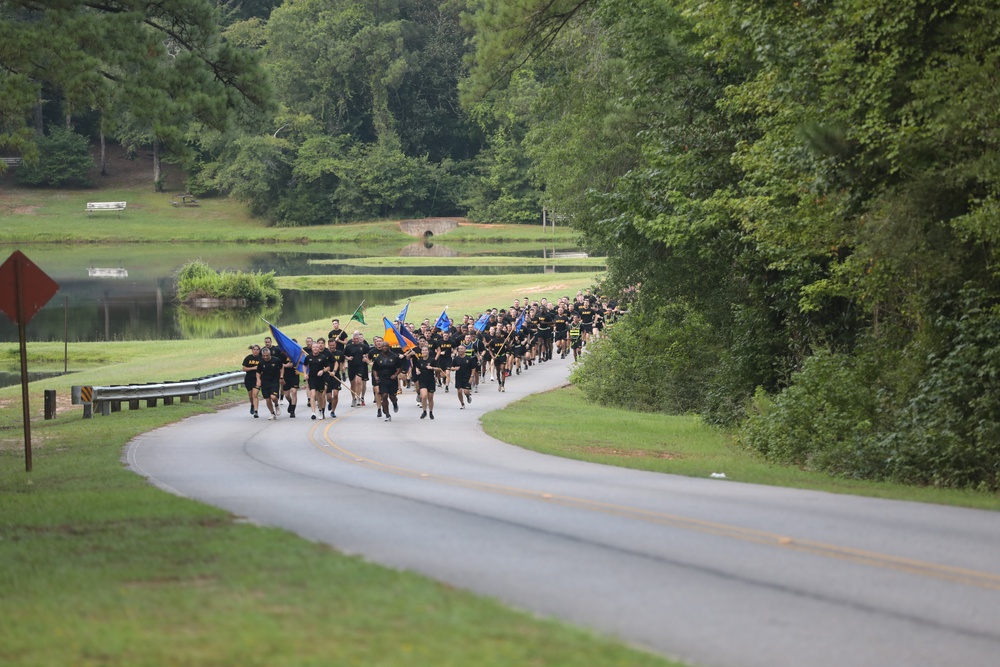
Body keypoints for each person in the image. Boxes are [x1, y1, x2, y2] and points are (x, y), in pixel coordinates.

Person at [371, 338, 402, 421]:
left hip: (392, 379)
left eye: (386, 346)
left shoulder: (394, 356)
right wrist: (376, 377)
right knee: (384, 396)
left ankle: (395, 403)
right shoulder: (378, 358)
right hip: (382, 379)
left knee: (392, 397)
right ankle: (387, 415)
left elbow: (399, 368)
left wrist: (395, 374)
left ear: (389, 347)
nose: (385, 348)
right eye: (383, 346)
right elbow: (374, 369)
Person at [303, 341, 331, 420]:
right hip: (312, 378)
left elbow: (328, 367)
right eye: (314, 347)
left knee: (320, 395)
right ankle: (313, 412)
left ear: (319, 348)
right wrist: (305, 373)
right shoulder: (308, 357)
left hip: (320, 378)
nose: (315, 349)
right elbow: (304, 365)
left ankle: (320, 410)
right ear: (311, 348)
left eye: (316, 347)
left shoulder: (322, 357)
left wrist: (323, 371)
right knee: (313, 394)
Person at [256, 347, 284, 420]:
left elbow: (282, 367)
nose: (265, 357)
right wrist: (258, 380)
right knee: (268, 399)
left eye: (267, 355)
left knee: (273, 397)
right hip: (265, 382)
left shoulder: (276, 360)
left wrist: (281, 377)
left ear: (269, 354)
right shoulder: (261, 362)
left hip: (274, 381)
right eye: (264, 356)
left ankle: (276, 405)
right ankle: (272, 413)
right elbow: (258, 372)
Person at [411, 344, 439, 419]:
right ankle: (424, 411)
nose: (424, 351)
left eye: (426, 350)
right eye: (423, 350)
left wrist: (432, 368)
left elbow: (439, 369)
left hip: (430, 380)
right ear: (421, 352)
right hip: (422, 380)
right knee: (423, 396)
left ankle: (430, 412)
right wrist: (417, 370)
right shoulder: (419, 360)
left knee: (430, 398)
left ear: (428, 351)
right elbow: (417, 367)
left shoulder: (432, 360)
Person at [344, 331, 370, 407]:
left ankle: (358, 397)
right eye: (354, 339)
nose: (356, 340)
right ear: (352, 339)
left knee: (358, 381)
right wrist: (348, 358)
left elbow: (368, 353)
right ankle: (353, 398)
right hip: (352, 366)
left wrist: (365, 357)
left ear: (359, 339)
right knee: (352, 384)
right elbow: (344, 355)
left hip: (360, 366)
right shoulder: (348, 347)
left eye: (357, 339)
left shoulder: (363, 346)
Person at [324, 337, 345, 418]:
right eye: (330, 345)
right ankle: (330, 402)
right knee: (329, 397)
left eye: (333, 345)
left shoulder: (339, 353)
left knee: (335, 394)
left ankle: (333, 411)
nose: (332, 347)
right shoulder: (325, 353)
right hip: (327, 376)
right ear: (328, 345)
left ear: (335, 345)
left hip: (336, 376)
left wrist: (343, 371)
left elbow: (342, 361)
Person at [241, 344, 262, 418]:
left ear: (259, 350)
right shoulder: (248, 358)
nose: (255, 351)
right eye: (254, 349)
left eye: (257, 350)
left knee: (255, 394)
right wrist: (253, 368)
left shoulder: (261, 358)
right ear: (252, 350)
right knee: (250, 394)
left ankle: (256, 411)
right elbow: (244, 368)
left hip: (257, 379)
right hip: (249, 378)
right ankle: (252, 404)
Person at [281, 341, 301, 418]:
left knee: (294, 392)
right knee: (286, 394)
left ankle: (292, 410)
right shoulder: (283, 354)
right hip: (286, 375)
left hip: (295, 375)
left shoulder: (298, 354)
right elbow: (280, 364)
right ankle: (290, 402)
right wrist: (286, 366)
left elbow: (301, 363)